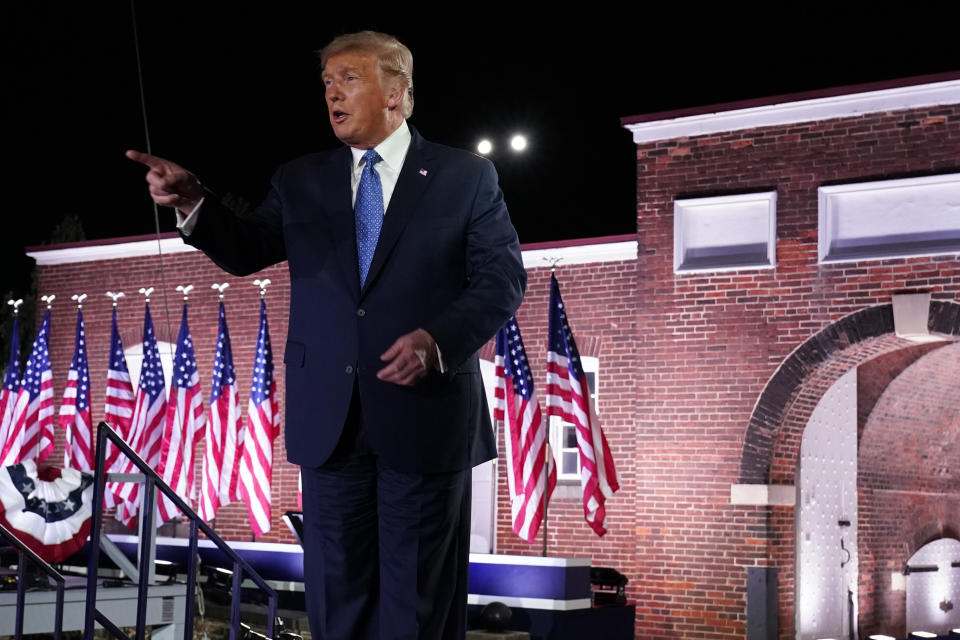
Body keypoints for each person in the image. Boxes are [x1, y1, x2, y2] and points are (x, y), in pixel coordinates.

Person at [127, 31, 526, 640]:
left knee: (415, 608)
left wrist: (439, 342)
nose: (332, 94)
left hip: (425, 418)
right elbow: (247, 248)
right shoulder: (301, 179)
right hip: (331, 425)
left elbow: (502, 280)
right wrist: (196, 205)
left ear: (399, 93)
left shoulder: (465, 177)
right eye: (326, 83)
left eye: (349, 78)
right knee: (338, 602)